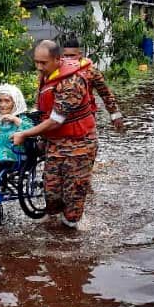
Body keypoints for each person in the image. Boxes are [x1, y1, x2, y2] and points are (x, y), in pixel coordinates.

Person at [12, 39, 97, 229]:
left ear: (58, 60)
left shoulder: (72, 82)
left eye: (44, 63)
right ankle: (52, 235)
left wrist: (25, 134)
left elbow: (55, 121)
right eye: (36, 62)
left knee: (73, 197)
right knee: (51, 194)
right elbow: (42, 107)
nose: (39, 67)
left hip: (79, 145)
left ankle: (70, 240)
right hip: (55, 144)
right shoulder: (46, 77)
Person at [60, 36, 124, 131]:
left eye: (72, 55)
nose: (69, 59)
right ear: (62, 55)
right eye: (66, 56)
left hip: (86, 117)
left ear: (80, 54)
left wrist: (115, 115)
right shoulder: (58, 71)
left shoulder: (91, 71)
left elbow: (105, 93)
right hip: (63, 118)